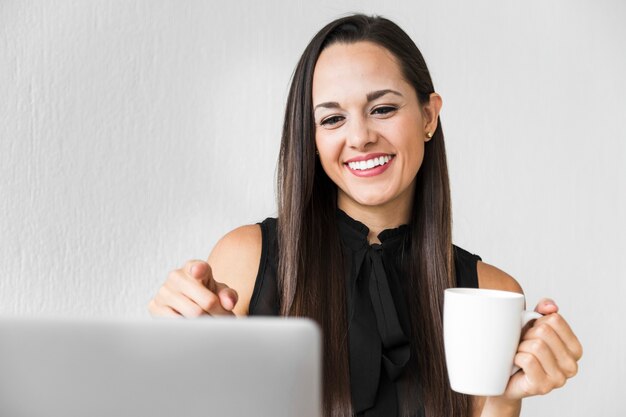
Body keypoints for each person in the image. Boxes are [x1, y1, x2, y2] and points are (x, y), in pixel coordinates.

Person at [148, 14, 582, 417]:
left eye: (383, 109)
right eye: (333, 118)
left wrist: (506, 400)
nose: (360, 137)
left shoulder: (493, 291)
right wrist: (184, 357)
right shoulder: (247, 258)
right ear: (312, 140)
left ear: (428, 116)